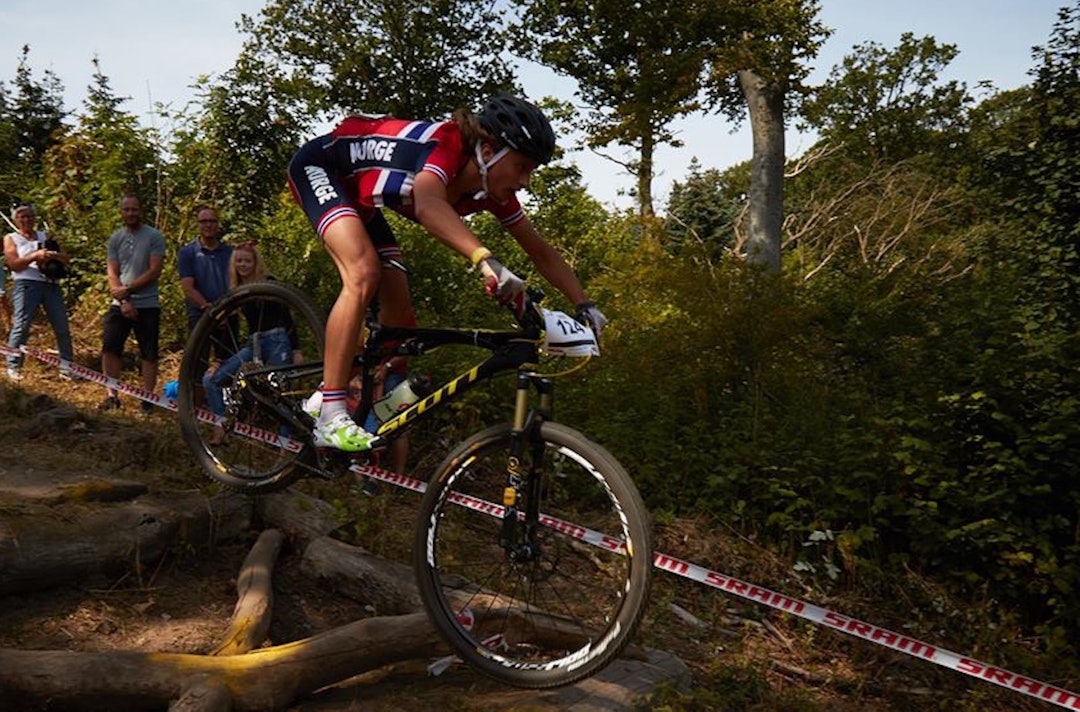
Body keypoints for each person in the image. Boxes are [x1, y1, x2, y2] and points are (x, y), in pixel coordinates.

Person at [287, 93, 607, 452]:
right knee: (363, 272)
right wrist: (484, 258)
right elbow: (428, 202)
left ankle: (324, 396)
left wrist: (584, 304)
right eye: (522, 166)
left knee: (400, 322)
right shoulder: (447, 144)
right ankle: (330, 414)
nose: (526, 181)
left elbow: (541, 251)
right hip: (323, 167)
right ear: (488, 151)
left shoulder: (492, 192)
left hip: (360, 195)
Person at [202, 242, 302, 444]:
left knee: (280, 394)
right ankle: (222, 427)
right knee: (211, 380)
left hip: (277, 340)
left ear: (255, 263)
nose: (243, 265)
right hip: (253, 343)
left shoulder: (268, 282)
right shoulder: (236, 290)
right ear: (233, 263)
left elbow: (287, 316)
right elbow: (228, 326)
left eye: (247, 261)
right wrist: (219, 360)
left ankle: (286, 448)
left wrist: (296, 348)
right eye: (239, 261)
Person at [100, 194, 165, 413]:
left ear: (140, 211)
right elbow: (112, 272)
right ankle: (111, 395)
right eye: (126, 209)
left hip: (148, 304)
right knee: (110, 348)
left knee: (149, 353)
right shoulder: (115, 238)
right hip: (119, 304)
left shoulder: (154, 236)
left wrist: (127, 291)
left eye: (134, 209)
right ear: (121, 212)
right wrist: (125, 299)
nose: (130, 213)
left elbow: (154, 270)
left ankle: (147, 398)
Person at [3, 205, 75, 381]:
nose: (26, 220)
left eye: (29, 216)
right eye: (21, 217)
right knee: (21, 325)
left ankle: (67, 367)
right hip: (26, 283)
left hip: (49, 283)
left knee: (62, 326)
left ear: (34, 218)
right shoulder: (11, 238)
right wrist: (34, 256)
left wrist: (53, 256)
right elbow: (13, 264)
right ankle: (13, 365)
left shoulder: (45, 236)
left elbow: (66, 258)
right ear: (15, 220)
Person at [178, 206, 233, 333]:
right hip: (199, 314)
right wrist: (211, 309)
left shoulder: (230, 252)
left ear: (218, 224)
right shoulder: (187, 253)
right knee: (198, 353)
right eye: (203, 221)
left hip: (227, 314)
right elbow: (188, 288)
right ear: (197, 224)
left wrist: (225, 310)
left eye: (212, 221)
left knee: (229, 353)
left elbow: (236, 284)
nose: (208, 225)